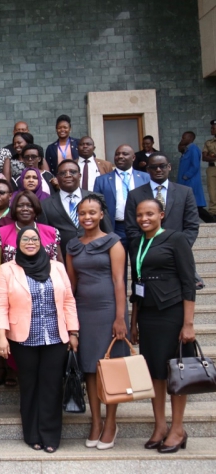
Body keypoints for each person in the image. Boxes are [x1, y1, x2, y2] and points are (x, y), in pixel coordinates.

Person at [0, 226, 79, 453]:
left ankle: (50, 435)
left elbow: (69, 301)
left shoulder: (57, 267)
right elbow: (0, 305)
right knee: (29, 386)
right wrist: (1, 336)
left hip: (55, 338)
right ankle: (32, 434)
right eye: (25, 239)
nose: (30, 242)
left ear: (41, 243)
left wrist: (73, 332)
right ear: (18, 243)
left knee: (51, 387)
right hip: (23, 340)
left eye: (34, 239)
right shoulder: (7, 270)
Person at [129, 199, 197, 453]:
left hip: (172, 312)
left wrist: (188, 323)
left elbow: (188, 282)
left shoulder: (176, 239)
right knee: (155, 373)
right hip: (148, 314)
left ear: (161, 214)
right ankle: (160, 426)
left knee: (175, 373)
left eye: (149, 214)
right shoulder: (136, 243)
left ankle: (178, 428)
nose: (144, 218)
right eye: (139, 215)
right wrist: (134, 322)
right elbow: (136, 284)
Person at [65, 194, 128, 450]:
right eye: (82, 213)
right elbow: (71, 285)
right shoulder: (73, 246)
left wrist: (121, 318)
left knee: (108, 369)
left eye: (92, 212)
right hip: (83, 312)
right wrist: (71, 323)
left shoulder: (113, 242)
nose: (87, 217)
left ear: (102, 214)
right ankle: (95, 421)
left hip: (108, 312)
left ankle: (111, 422)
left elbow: (119, 281)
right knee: (89, 369)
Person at [39, 160, 112, 260]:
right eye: (63, 173)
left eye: (72, 172)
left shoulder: (97, 198)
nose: (68, 175)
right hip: (63, 260)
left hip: (97, 256)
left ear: (79, 175)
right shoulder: (45, 205)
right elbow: (45, 238)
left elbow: (107, 229)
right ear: (57, 177)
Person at [125, 153, 199, 247]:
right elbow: (131, 228)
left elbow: (192, 225)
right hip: (146, 251)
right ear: (147, 169)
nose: (158, 170)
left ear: (169, 167)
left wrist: (182, 246)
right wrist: (146, 247)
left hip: (177, 249)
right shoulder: (134, 195)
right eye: (153, 167)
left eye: (162, 166)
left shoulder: (185, 192)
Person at [93, 145, 151, 252]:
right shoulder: (101, 180)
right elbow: (97, 206)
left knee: (140, 263)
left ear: (133, 158)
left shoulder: (145, 177)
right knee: (118, 264)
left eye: (125, 154)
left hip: (140, 227)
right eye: (117, 154)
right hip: (116, 228)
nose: (120, 156)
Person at [0, 191, 62, 264]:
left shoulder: (52, 232)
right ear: (15, 208)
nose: (25, 209)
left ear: (36, 208)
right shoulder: (1, 233)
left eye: (30, 205)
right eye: (20, 205)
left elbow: (60, 265)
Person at [178, 131, 214, 222]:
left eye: (184, 138)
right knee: (190, 205)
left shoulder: (193, 149)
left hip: (191, 182)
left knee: (195, 205)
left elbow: (195, 165)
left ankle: (211, 221)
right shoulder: (187, 149)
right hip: (185, 182)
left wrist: (187, 176)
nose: (182, 139)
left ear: (190, 139)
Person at [203, 121, 216, 215]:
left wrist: (212, 157)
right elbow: (204, 157)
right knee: (212, 191)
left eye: (213, 128)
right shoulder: (209, 143)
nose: (212, 130)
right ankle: (213, 212)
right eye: (211, 128)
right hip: (212, 168)